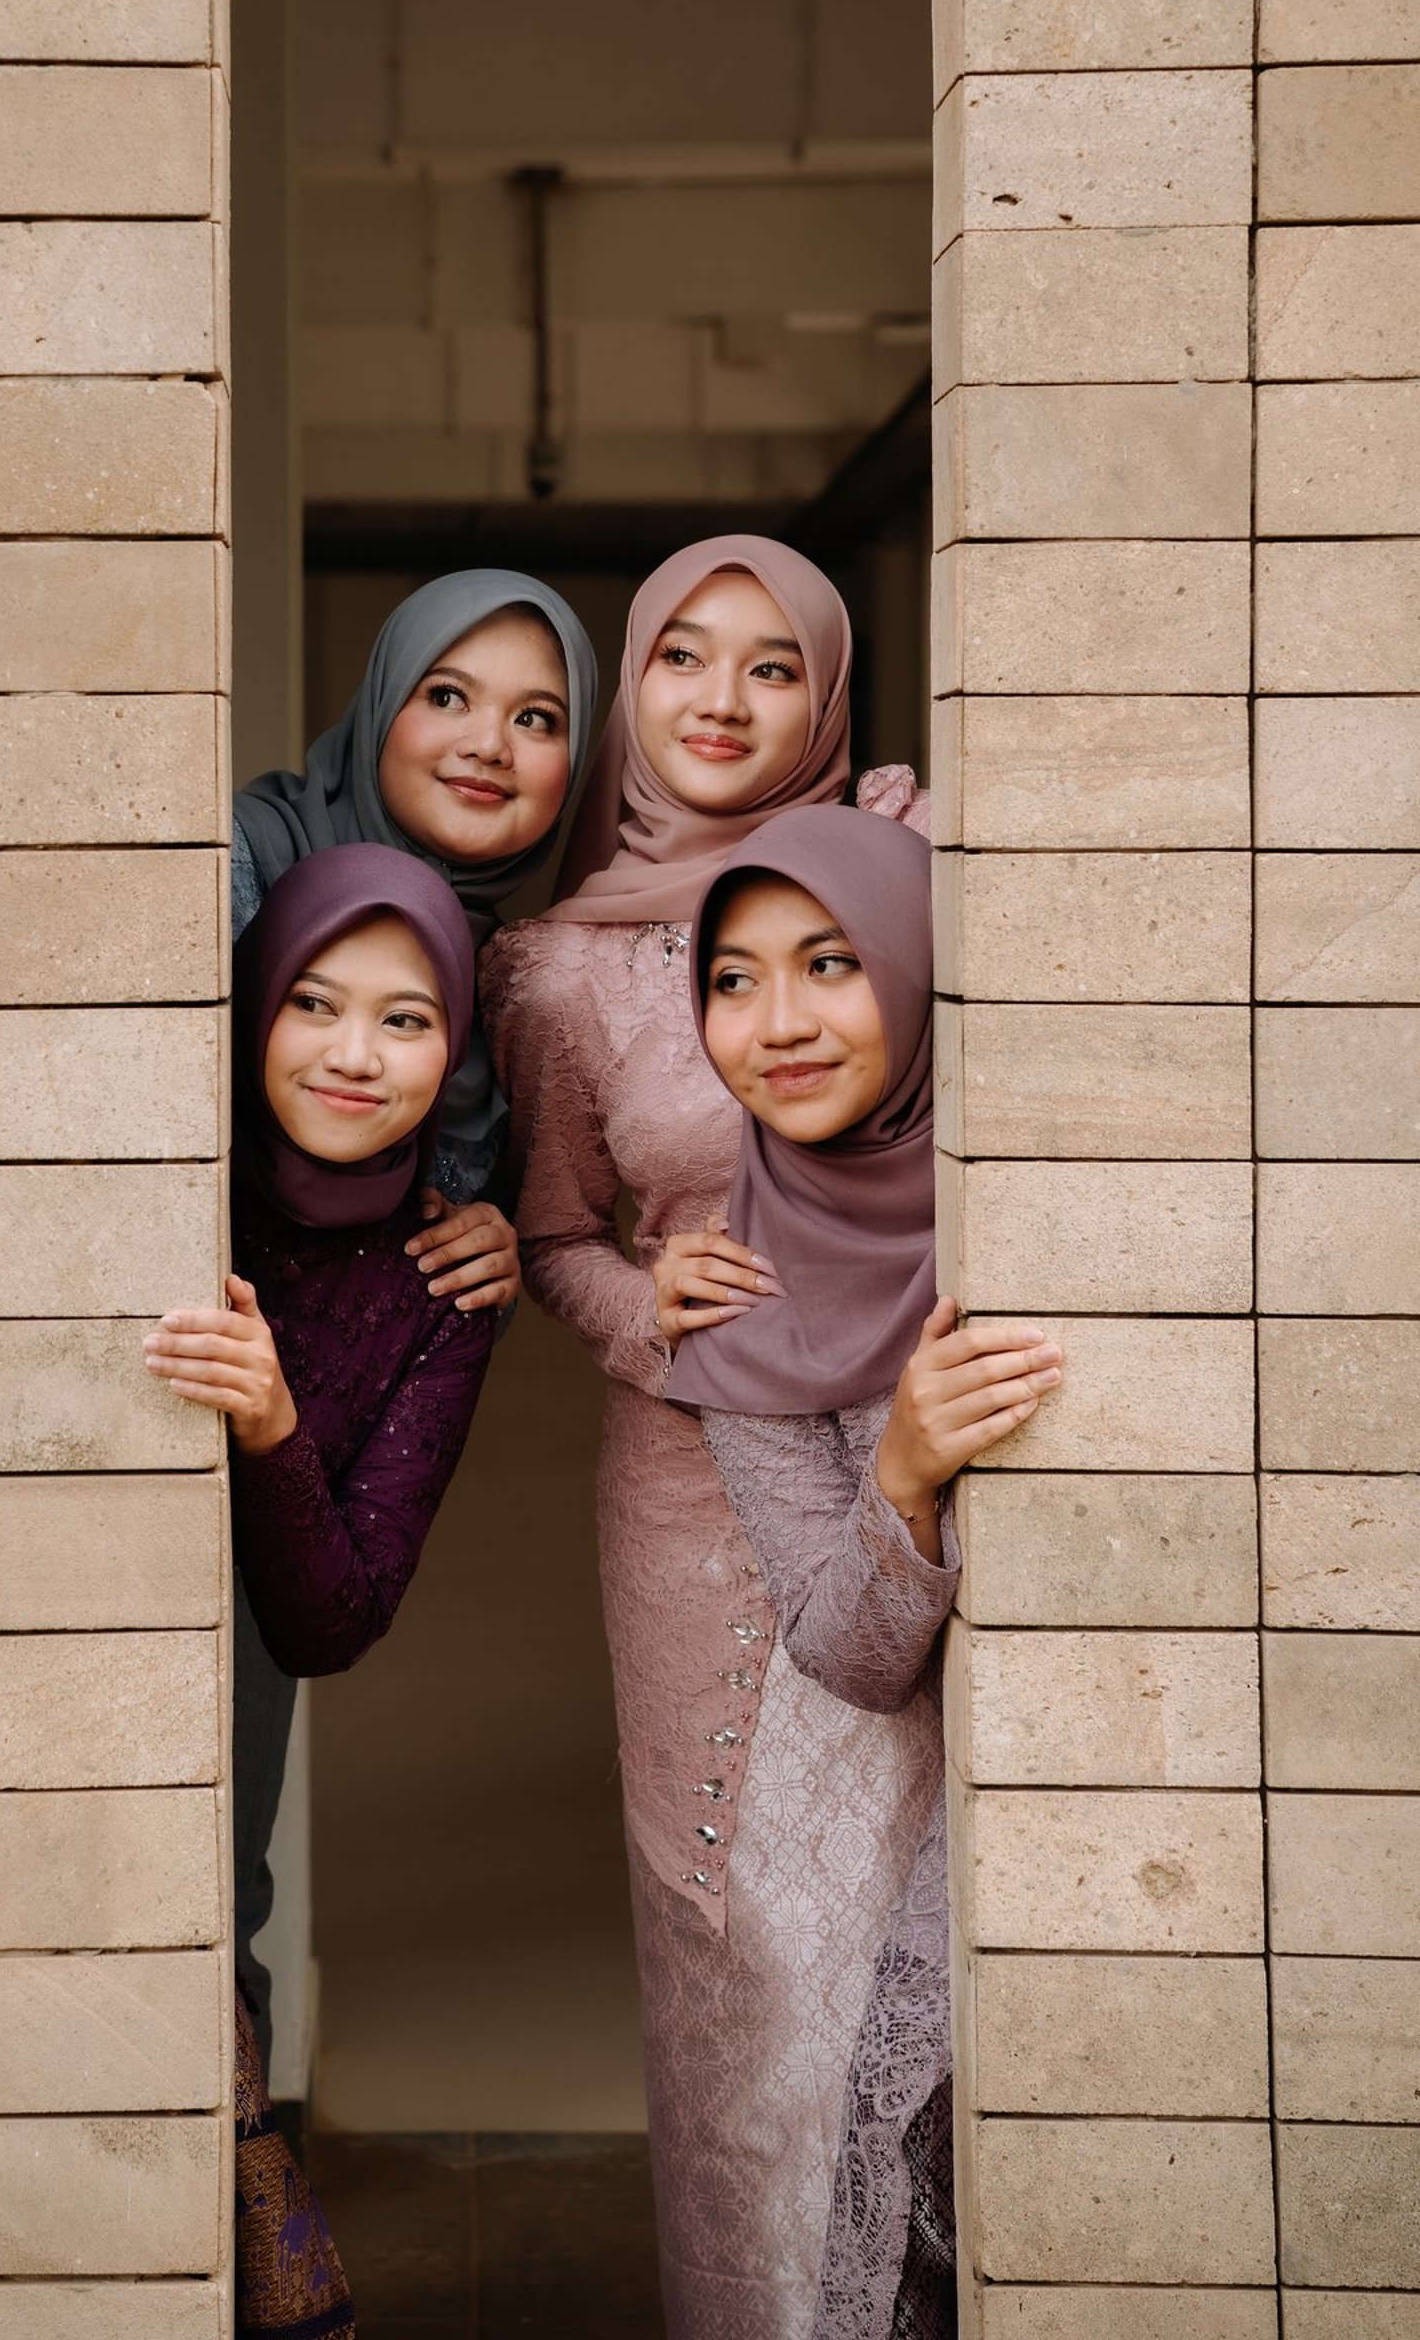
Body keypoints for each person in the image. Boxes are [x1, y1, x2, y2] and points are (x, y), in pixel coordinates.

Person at [479, 534, 930, 2340]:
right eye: (684, 658)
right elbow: (544, 1236)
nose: (723, 701)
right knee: (742, 1941)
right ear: (633, 693)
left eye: (769, 666)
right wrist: (642, 1313)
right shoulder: (560, 966)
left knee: (897, 1928)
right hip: (688, 1499)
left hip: (900, 1443)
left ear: (825, 693)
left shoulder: (905, 864)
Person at [675, 805, 1060, 2338]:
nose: (776, 1025)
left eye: (828, 964)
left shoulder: (1037, 1191)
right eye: (733, 980)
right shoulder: (732, 1291)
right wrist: (904, 1467)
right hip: (935, 1811)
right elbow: (843, 1651)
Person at [146, 844, 498, 2086]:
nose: (354, 1056)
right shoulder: (159, 1189)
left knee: (209, 1944)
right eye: (312, 1002)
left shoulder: (446, 1282)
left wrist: (271, 1424)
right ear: (253, 1007)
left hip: (233, 1711)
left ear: (451, 1049)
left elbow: (329, 1625)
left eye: (405, 1020)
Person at [233, 569, 599, 1323]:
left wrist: (497, 1248)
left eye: (536, 719)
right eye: (446, 696)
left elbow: (442, 1304)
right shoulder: (237, 864)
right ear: (382, 705)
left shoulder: (515, 983)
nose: (490, 745)